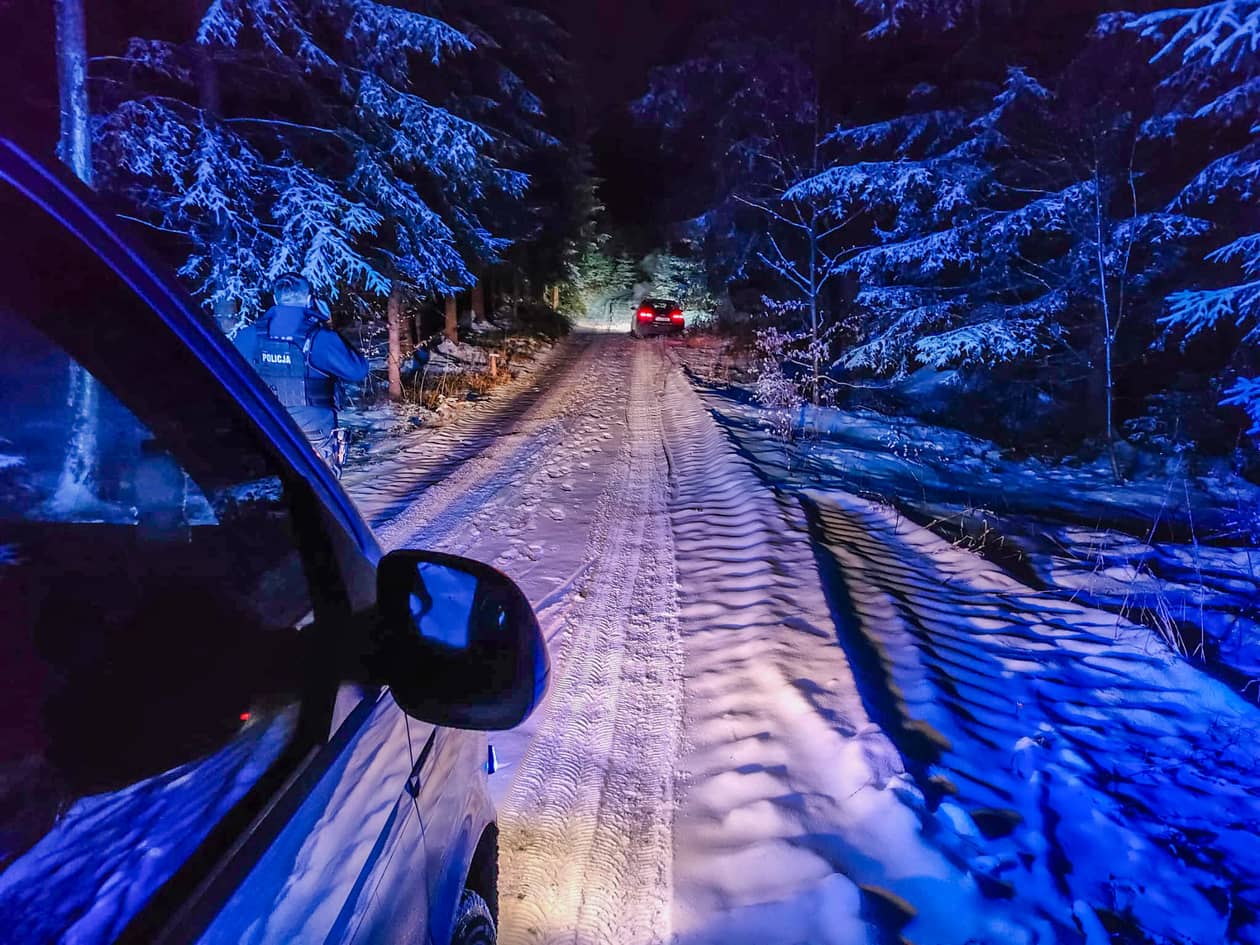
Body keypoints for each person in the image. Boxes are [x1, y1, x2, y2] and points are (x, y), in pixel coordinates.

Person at [234, 273, 369, 476]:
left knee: (274, 489)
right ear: (308, 299)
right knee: (319, 490)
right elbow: (358, 370)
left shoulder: (249, 335)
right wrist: (329, 328)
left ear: (275, 299)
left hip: (266, 425)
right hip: (313, 431)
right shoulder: (319, 337)